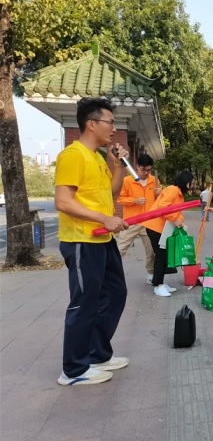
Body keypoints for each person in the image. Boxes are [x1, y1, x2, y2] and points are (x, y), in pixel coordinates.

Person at [55, 97, 130, 386]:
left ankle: (97, 354)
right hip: (82, 241)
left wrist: (118, 166)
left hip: (102, 240)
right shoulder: (73, 155)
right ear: (92, 124)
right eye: (110, 122)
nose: (114, 128)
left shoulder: (97, 157)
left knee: (115, 294)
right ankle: (73, 370)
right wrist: (103, 219)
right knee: (84, 303)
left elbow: (111, 194)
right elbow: (63, 201)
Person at [143, 171, 195, 297]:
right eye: (191, 183)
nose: (192, 185)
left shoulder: (178, 193)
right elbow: (163, 206)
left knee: (164, 256)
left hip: (163, 229)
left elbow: (176, 211)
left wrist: (180, 221)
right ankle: (158, 285)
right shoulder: (172, 190)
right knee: (160, 256)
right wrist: (175, 219)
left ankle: (160, 282)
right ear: (185, 182)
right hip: (155, 227)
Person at [116, 153, 160, 285]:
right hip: (131, 221)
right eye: (143, 170)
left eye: (149, 170)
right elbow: (120, 199)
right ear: (137, 167)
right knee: (120, 248)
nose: (146, 173)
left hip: (149, 222)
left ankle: (151, 274)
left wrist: (160, 194)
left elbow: (160, 202)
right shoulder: (127, 180)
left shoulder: (155, 181)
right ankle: (109, 272)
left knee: (151, 251)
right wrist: (134, 200)